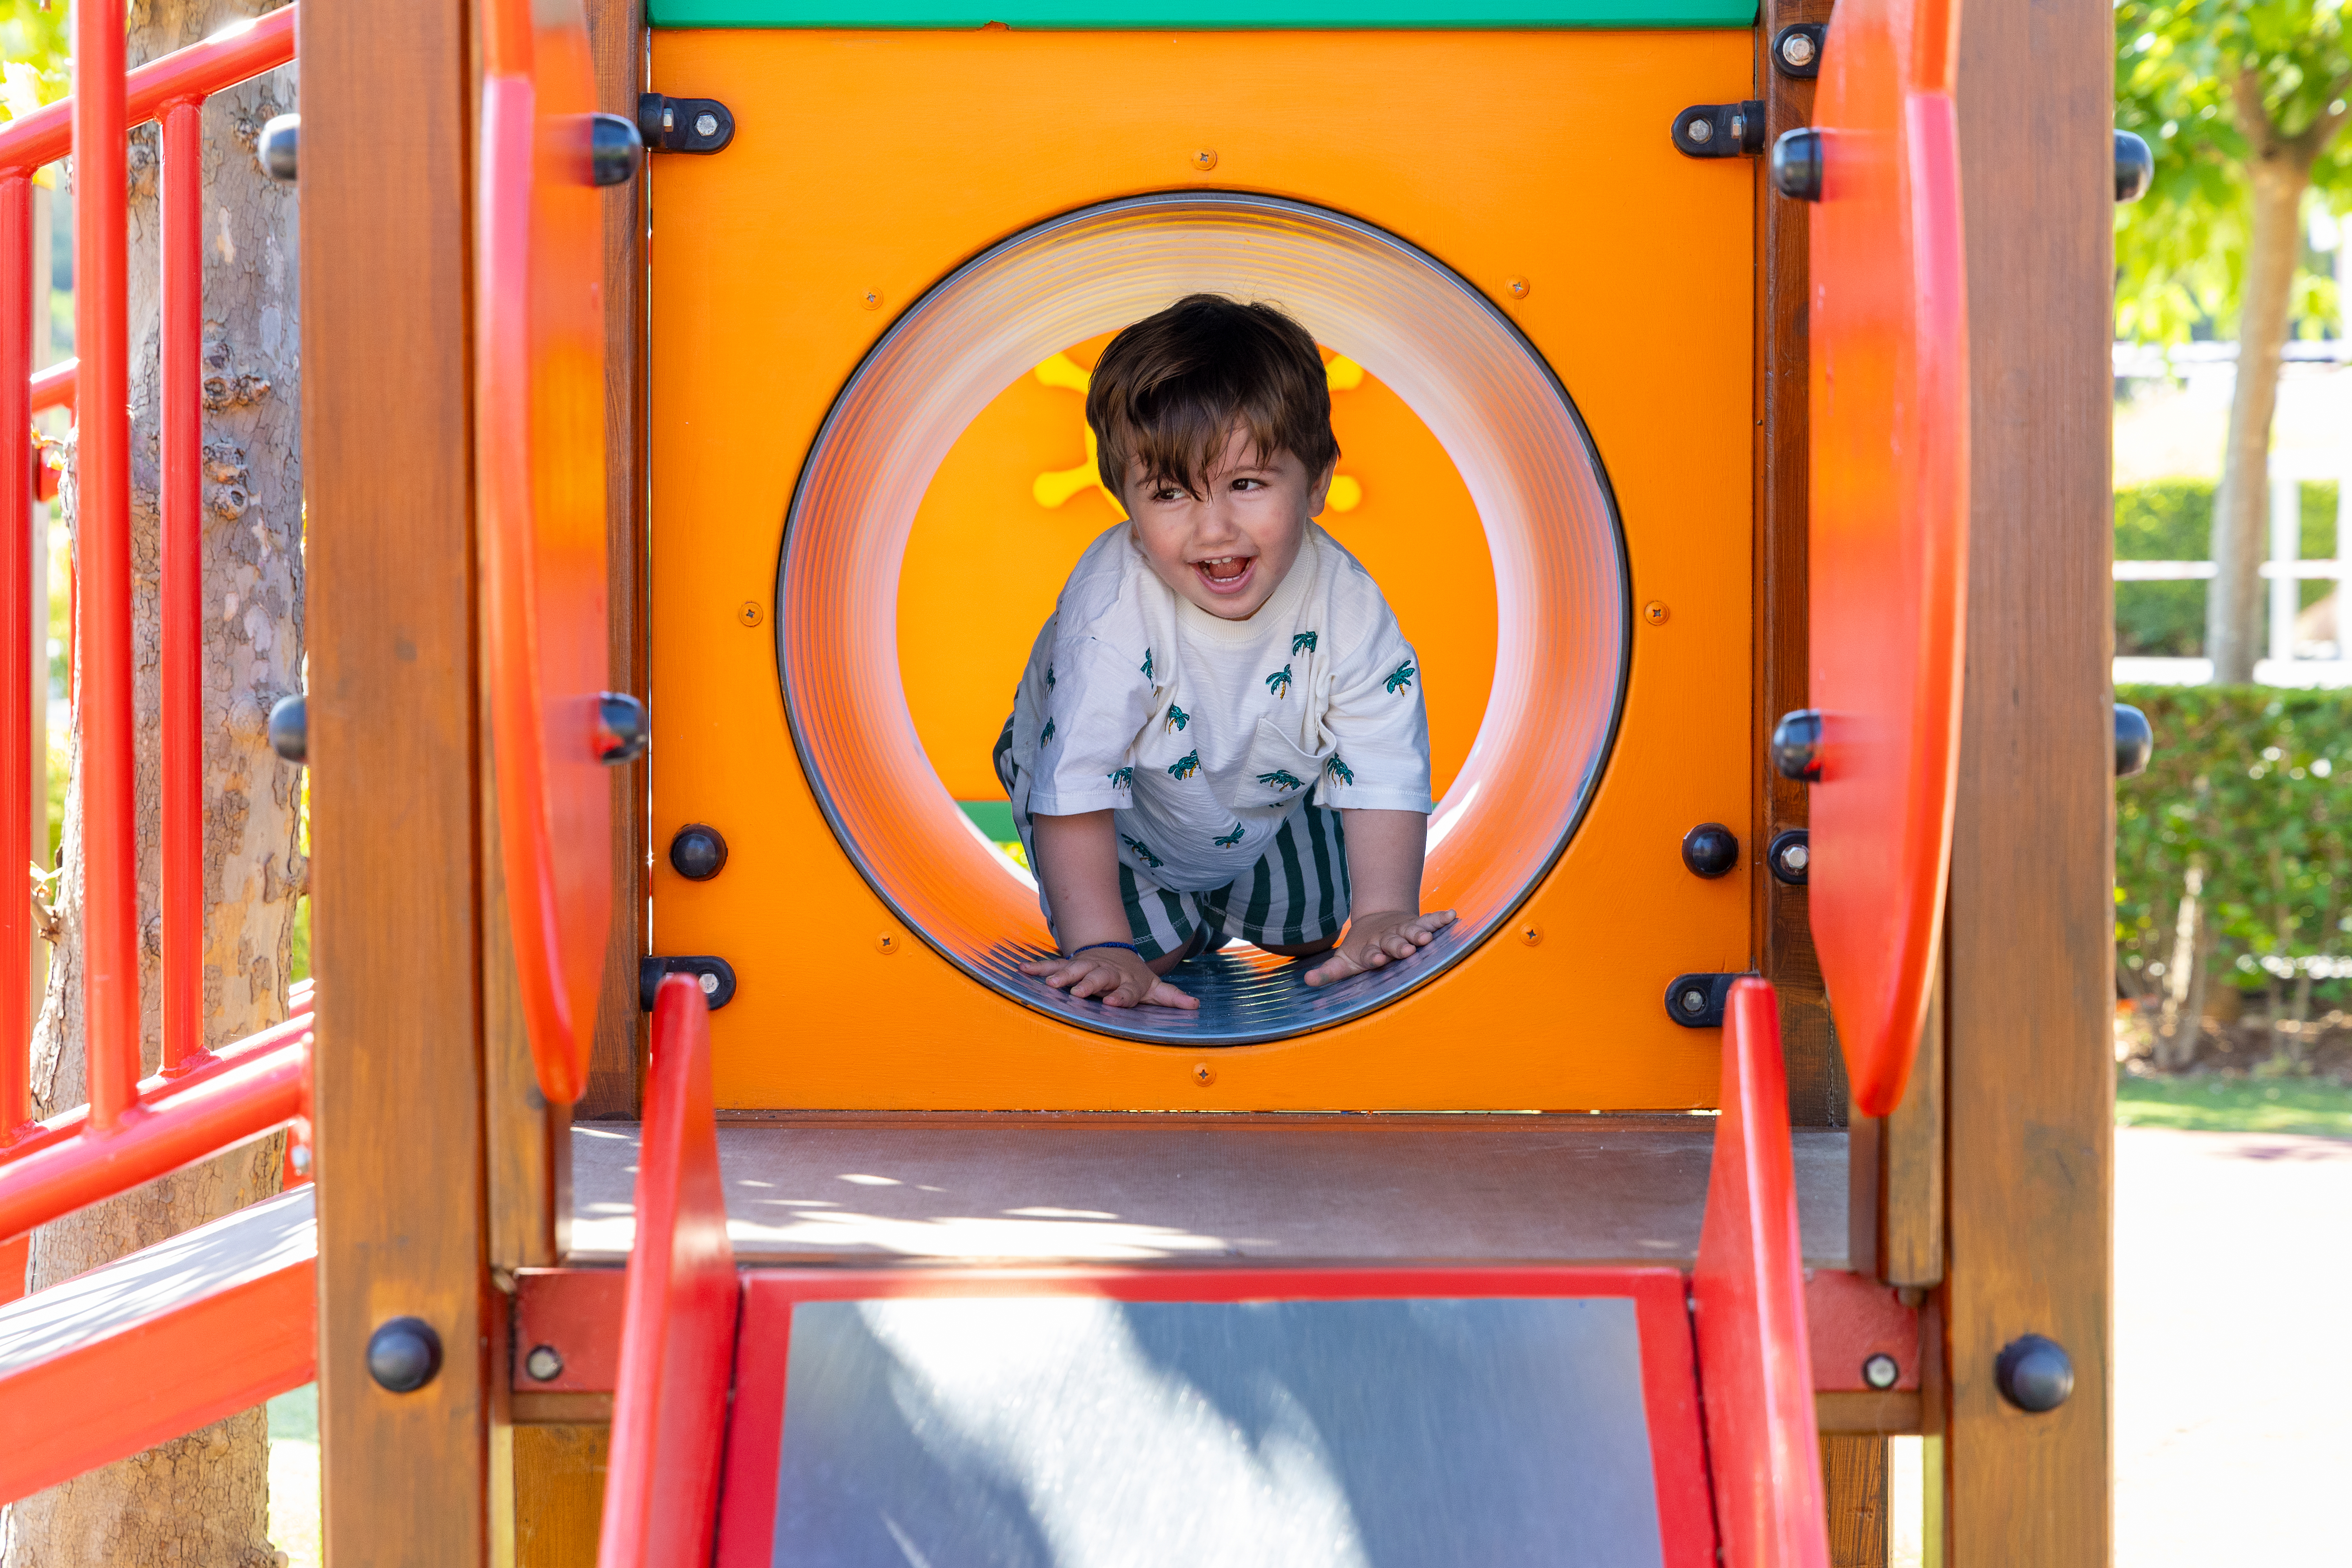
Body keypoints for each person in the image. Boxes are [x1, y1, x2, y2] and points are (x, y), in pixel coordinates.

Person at [994, 294, 1456, 1011]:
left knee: (1315, 939)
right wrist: (1105, 950)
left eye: (1246, 484)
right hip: (1119, 816)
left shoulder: (1346, 604)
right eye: (1172, 493)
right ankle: (1176, 917)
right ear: (1127, 507)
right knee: (1154, 962)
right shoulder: (1112, 622)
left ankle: (1225, 896)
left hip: (1258, 784)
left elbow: (1385, 760)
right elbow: (1076, 784)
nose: (1214, 530)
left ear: (1318, 482)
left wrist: (1383, 914)